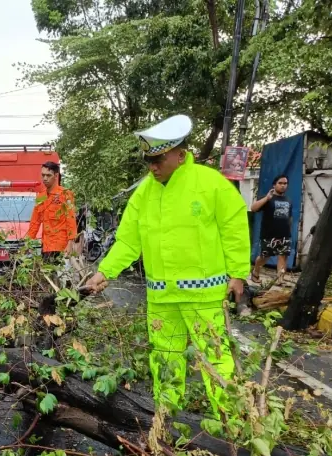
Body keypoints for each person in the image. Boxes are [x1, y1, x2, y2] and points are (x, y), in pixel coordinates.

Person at [85, 114, 250, 414]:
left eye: (159, 159)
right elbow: (128, 241)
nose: (153, 167)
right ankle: (167, 423)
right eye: (149, 160)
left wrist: (238, 273)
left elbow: (234, 227)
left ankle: (232, 428)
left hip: (203, 296)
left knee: (216, 361)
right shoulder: (143, 194)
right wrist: (103, 272)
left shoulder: (209, 183)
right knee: (165, 360)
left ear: (180, 154)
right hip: (162, 298)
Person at [27, 161, 77, 262]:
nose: (45, 178)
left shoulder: (65, 194)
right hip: (46, 246)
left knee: (58, 276)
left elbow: (70, 219)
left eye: (48, 175)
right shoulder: (41, 197)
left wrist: (70, 242)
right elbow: (35, 222)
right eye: (43, 175)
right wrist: (27, 242)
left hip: (61, 247)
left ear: (56, 176)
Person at [250, 174, 293, 282]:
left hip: (284, 234)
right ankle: (255, 271)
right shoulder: (268, 198)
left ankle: (280, 280)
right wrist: (266, 198)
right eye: (280, 183)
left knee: (283, 256)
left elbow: (289, 216)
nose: (283, 186)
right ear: (274, 185)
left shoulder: (288, 200)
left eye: (285, 183)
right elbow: (253, 208)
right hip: (269, 234)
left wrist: (289, 231)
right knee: (265, 256)